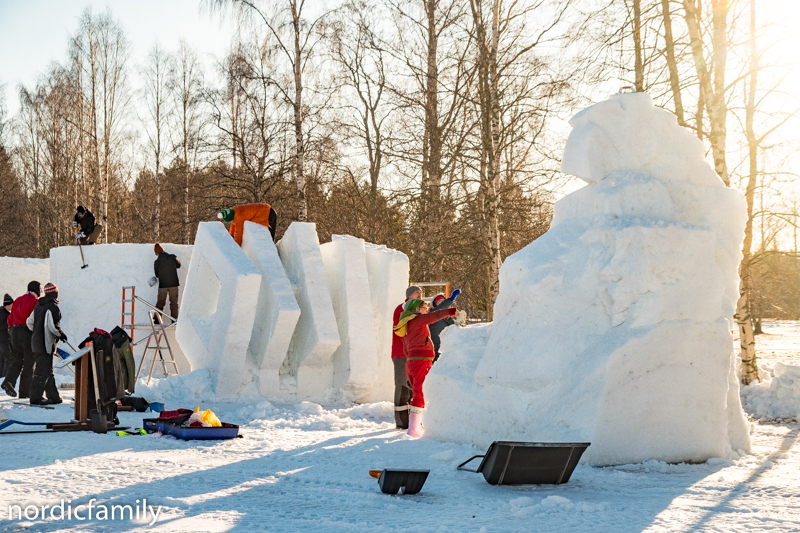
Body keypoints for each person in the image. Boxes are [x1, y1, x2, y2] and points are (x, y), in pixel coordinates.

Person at [394, 298, 457, 438]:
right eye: (424, 308)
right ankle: (414, 429)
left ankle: (415, 425)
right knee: (420, 393)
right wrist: (451, 311)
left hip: (411, 361)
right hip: (421, 360)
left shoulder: (406, 324)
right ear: (416, 309)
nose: (426, 311)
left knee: (418, 392)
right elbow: (435, 316)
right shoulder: (418, 319)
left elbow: (405, 349)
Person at [27, 283, 65, 405]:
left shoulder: (38, 305)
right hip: (45, 343)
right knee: (41, 371)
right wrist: (61, 334)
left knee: (47, 370)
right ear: (54, 292)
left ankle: (54, 397)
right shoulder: (53, 306)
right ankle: (35, 398)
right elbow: (53, 326)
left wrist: (37, 331)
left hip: (35, 342)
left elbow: (29, 322)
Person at [2, 281, 41, 398]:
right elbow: (34, 321)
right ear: (36, 289)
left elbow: (9, 320)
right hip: (27, 332)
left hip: (14, 332)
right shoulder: (35, 301)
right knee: (29, 362)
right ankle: (24, 392)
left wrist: (13, 330)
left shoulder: (18, 300)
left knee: (16, 361)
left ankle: (9, 382)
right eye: (40, 288)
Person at [391, 285, 421, 429]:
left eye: (421, 293)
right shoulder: (401, 309)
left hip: (414, 355)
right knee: (402, 385)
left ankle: (412, 420)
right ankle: (401, 421)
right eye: (417, 293)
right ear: (409, 295)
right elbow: (400, 328)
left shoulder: (419, 310)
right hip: (401, 354)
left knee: (412, 387)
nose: (419, 295)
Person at [429, 289, 461, 364]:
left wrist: (459, 319)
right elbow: (441, 308)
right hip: (435, 349)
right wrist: (451, 298)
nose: (442, 303)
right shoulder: (432, 314)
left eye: (443, 301)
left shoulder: (449, 318)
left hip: (446, 350)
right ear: (434, 304)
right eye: (439, 302)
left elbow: (455, 330)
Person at [153, 243, 181, 320]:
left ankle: (157, 320)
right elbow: (178, 265)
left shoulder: (157, 262)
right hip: (173, 284)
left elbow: (157, 274)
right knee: (174, 303)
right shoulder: (172, 257)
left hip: (163, 285)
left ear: (156, 253)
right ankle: (174, 320)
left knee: (160, 302)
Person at [0, 294, 12, 378]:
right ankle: (5, 377)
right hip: (3, 340)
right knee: (8, 358)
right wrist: (8, 324)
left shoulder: (3, 312)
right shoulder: (2, 313)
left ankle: (1, 377)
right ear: (8, 304)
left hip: (2, 340)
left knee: (2, 359)